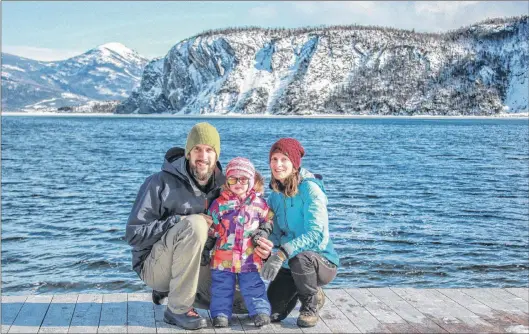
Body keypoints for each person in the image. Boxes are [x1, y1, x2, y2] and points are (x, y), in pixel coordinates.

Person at [125, 122, 272, 330]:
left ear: (216, 155)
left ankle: (177, 291)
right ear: (188, 153)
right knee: (196, 224)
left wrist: (262, 242)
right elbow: (134, 235)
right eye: (197, 149)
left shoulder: (225, 185)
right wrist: (179, 221)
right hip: (155, 266)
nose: (203, 156)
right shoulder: (159, 183)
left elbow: (250, 210)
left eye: (209, 150)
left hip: (203, 262)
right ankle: (177, 309)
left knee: (244, 305)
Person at [261, 138, 340, 328]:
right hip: (289, 262)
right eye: (274, 159)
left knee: (300, 258)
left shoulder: (311, 190)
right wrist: (263, 242)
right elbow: (275, 232)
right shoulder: (274, 196)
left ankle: (311, 303)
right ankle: (301, 286)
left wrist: (281, 253)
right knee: (270, 313)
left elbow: (316, 235)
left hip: (320, 262)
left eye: (284, 159)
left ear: (295, 164)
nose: (278, 165)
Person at [203, 157, 273, 328]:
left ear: (251, 181)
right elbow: (212, 229)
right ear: (227, 181)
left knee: (253, 285)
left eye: (243, 179)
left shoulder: (259, 203)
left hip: (249, 258)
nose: (238, 183)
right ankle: (220, 314)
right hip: (222, 258)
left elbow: (269, 220)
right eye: (233, 179)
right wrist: (206, 248)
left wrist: (263, 231)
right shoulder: (219, 204)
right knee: (221, 287)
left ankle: (260, 312)